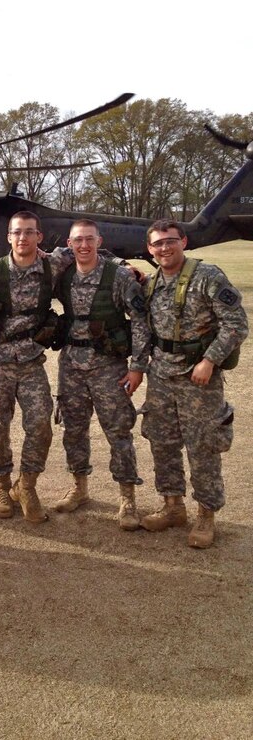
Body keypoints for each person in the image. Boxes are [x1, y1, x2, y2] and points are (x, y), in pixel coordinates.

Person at [139, 220, 248, 548]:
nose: (164, 248)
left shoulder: (208, 277)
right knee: (162, 442)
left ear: (183, 241)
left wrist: (209, 360)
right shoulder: (152, 282)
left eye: (170, 241)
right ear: (149, 249)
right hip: (160, 375)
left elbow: (236, 323)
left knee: (202, 446)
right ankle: (173, 506)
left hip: (198, 378)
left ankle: (206, 514)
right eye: (157, 244)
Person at [0, 211, 78, 522]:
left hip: (32, 362)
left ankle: (27, 486)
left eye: (29, 232)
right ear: (8, 237)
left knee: (40, 424)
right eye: (17, 232)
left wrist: (128, 268)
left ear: (39, 237)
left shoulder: (53, 264)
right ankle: (2, 486)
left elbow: (91, 250)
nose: (23, 238)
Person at [53, 219, 151, 529]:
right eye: (77, 240)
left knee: (118, 432)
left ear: (100, 241)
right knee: (73, 430)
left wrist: (137, 367)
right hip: (71, 364)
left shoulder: (119, 276)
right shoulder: (63, 275)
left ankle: (127, 498)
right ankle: (79, 488)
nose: (83, 245)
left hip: (108, 366)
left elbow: (139, 320)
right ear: (69, 244)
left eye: (89, 240)